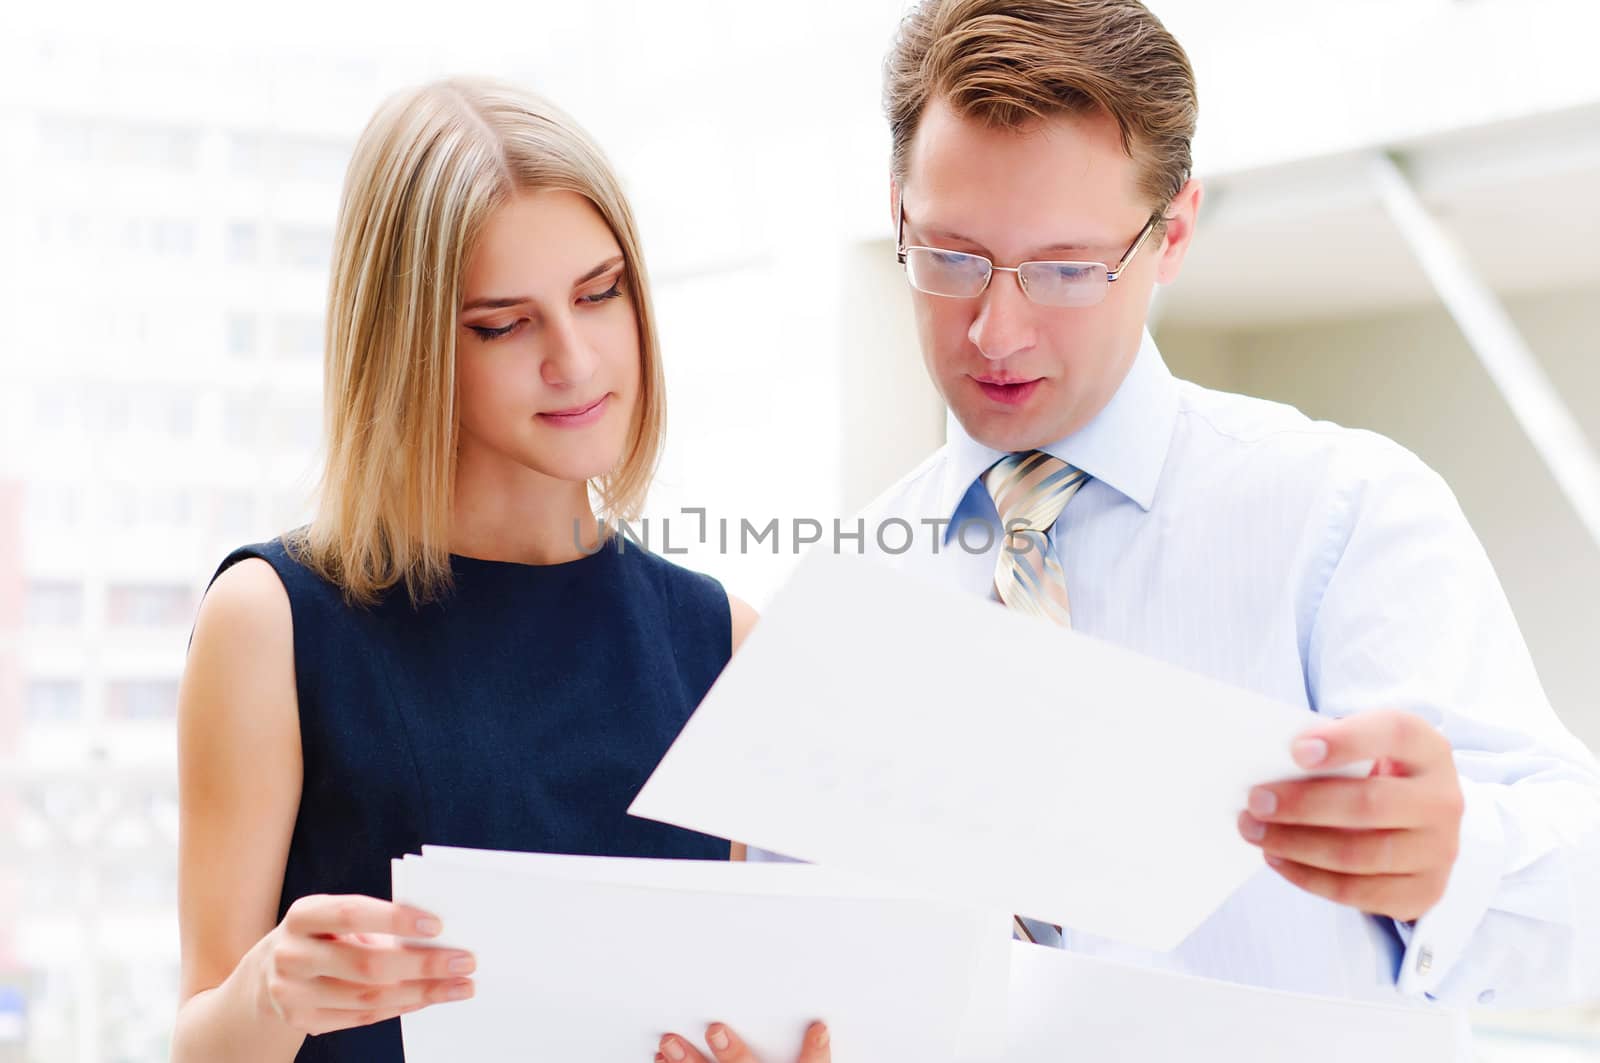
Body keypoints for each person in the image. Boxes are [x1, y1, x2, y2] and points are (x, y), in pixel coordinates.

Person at [846, 0, 1600, 1017]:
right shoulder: (848, 587)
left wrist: (1456, 853)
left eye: (1066, 268)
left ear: (1175, 234)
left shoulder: (1344, 516)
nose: (995, 329)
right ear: (899, 214)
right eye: (950, 258)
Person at [171, 77, 828, 1063]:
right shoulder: (273, 621)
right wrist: (271, 993)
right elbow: (199, 1040)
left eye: (599, 293)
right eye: (503, 322)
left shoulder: (721, 642)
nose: (575, 358)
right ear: (408, 346)